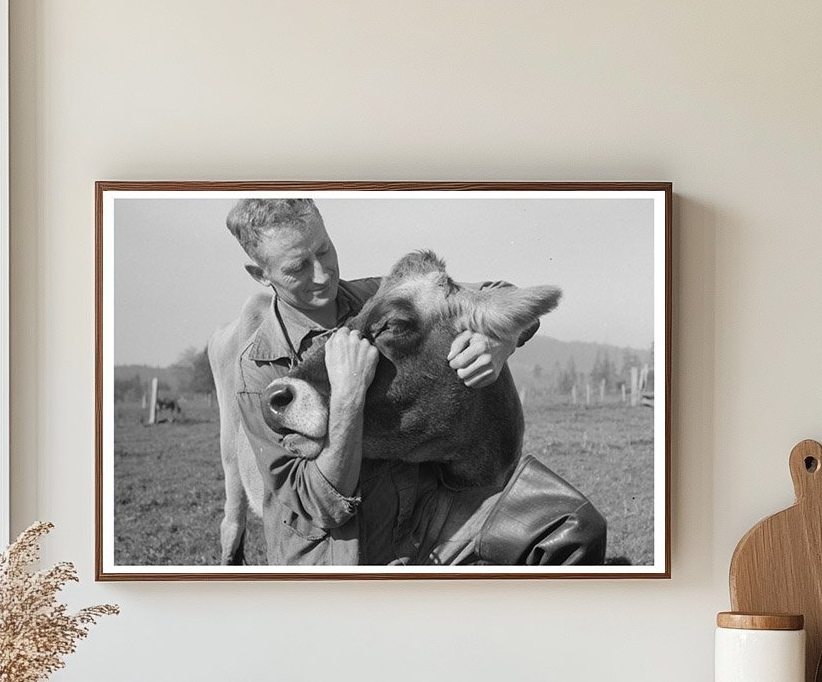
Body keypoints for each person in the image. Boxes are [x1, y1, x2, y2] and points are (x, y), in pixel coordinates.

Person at [228, 198, 606, 566]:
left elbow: (496, 292)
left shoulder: (373, 296)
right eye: (298, 268)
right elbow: (319, 505)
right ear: (261, 275)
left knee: (571, 524)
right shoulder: (258, 370)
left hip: (423, 521)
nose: (323, 274)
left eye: (324, 251)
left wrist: (498, 340)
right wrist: (347, 398)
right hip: (344, 556)